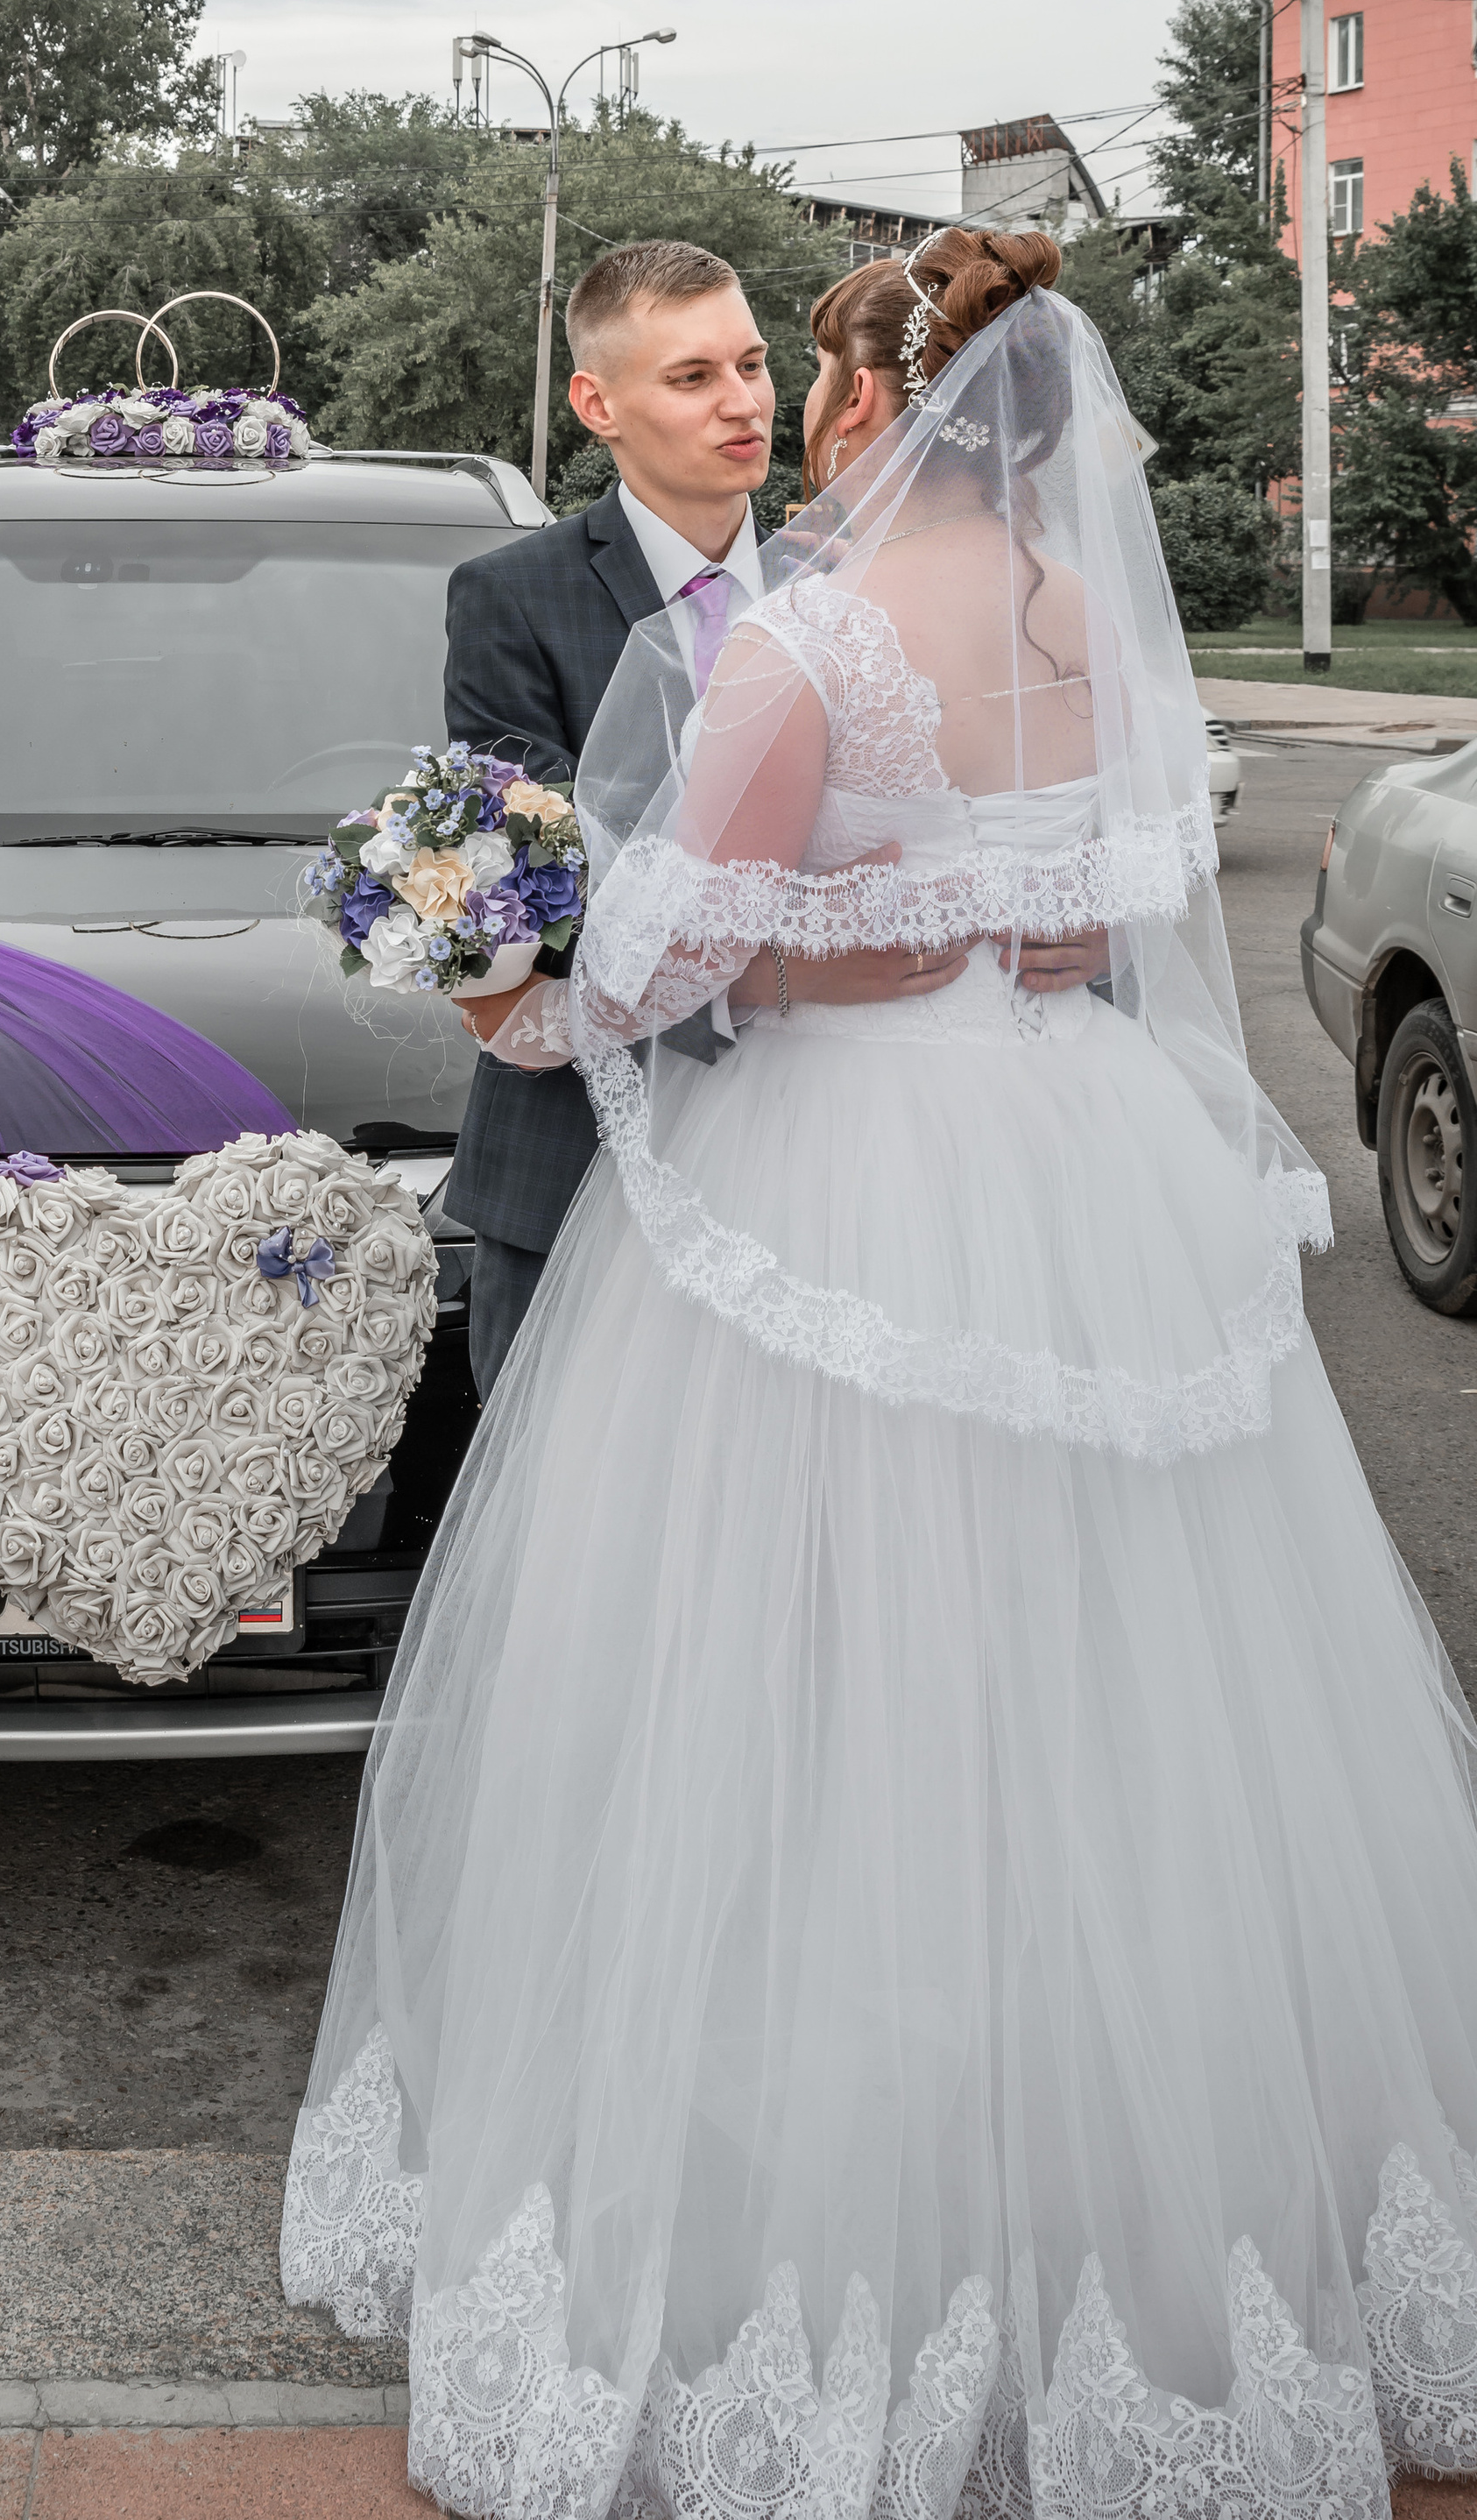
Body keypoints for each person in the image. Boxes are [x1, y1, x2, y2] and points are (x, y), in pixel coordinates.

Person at [285, 230, 1477, 2520]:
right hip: (1080, 1165)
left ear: (871, 400)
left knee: (799, 1700)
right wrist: (926, 932)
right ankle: (1162, 2207)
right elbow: (1078, 918)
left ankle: (833, 2224)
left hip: (842, 1186)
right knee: (1121, 1688)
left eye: (809, 373)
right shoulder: (1095, 629)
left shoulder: (819, 638)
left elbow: (667, 950)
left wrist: (509, 982)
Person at [442, 237, 1098, 1400]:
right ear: (597, 403)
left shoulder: (869, 579)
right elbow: (557, 892)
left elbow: (1041, 824)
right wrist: (764, 980)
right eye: (694, 378)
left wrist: (1089, 934)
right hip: (576, 1171)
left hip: (862, 1194)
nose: (744, 402)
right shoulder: (511, 600)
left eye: (752, 364)